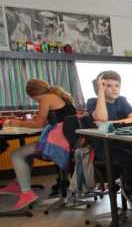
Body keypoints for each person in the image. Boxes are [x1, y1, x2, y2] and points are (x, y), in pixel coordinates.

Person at [0, 79, 76, 209]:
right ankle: (19, 183)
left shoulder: (46, 99)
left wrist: (18, 123)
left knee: (17, 154)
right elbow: (50, 121)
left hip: (59, 145)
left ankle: (26, 192)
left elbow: (38, 124)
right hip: (69, 142)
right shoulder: (56, 97)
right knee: (27, 154)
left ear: (31, 94)